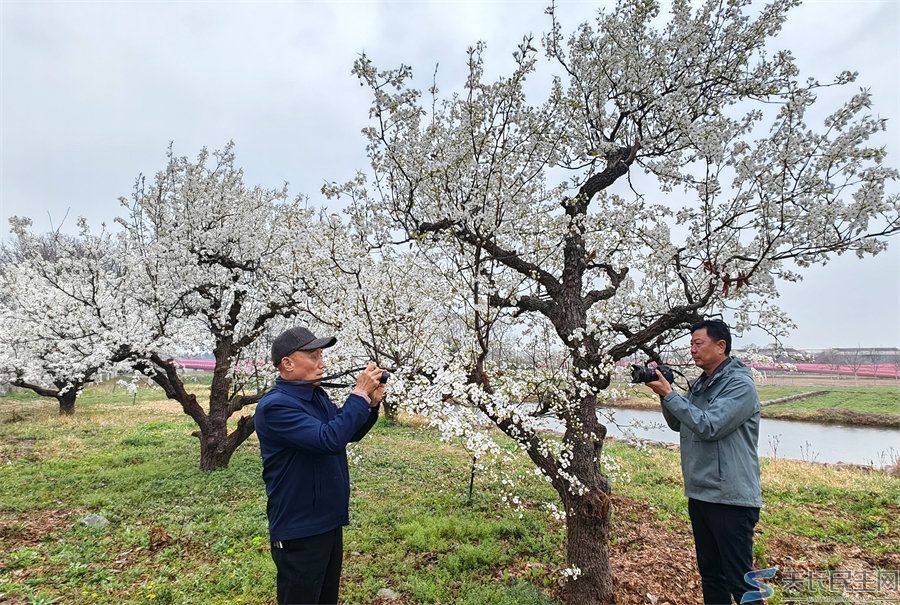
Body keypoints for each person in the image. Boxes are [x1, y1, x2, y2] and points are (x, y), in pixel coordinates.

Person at [255, 326, 385, 605]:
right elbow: (328, 439)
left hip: (328, 520)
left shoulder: (316, 397)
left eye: (321, 355)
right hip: (300, 528)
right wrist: (359, 394)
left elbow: (346, 432)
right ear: (287, 364)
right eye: (313, 356)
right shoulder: (276, 406)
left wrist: (371, 405)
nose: (322, 362)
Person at [646, 319, 763, 605]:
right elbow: (679, 422)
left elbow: (710, 425)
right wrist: (665, 393)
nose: (692, 350)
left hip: (730, 498)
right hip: (701, 492)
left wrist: (671, 395)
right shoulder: (701, 384)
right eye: (690, 344)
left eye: (698, 343)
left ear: (721, 346)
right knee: (711, 575)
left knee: (739, 579)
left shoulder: (739, 385)